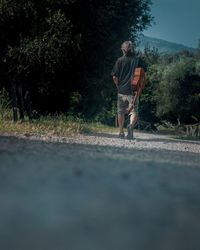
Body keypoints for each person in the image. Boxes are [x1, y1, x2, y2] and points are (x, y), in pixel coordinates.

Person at [111, 40, 147, 139]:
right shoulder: (138, 60)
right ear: (133, 49)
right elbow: (144, 76)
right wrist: (140, 89)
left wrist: (118, 87)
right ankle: (131, 125)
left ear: (123, 50)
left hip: (122, 91)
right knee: (134, 111)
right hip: (134, 91)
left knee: (121, 111)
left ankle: (121, 132)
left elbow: (114, 77)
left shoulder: (119, 60)